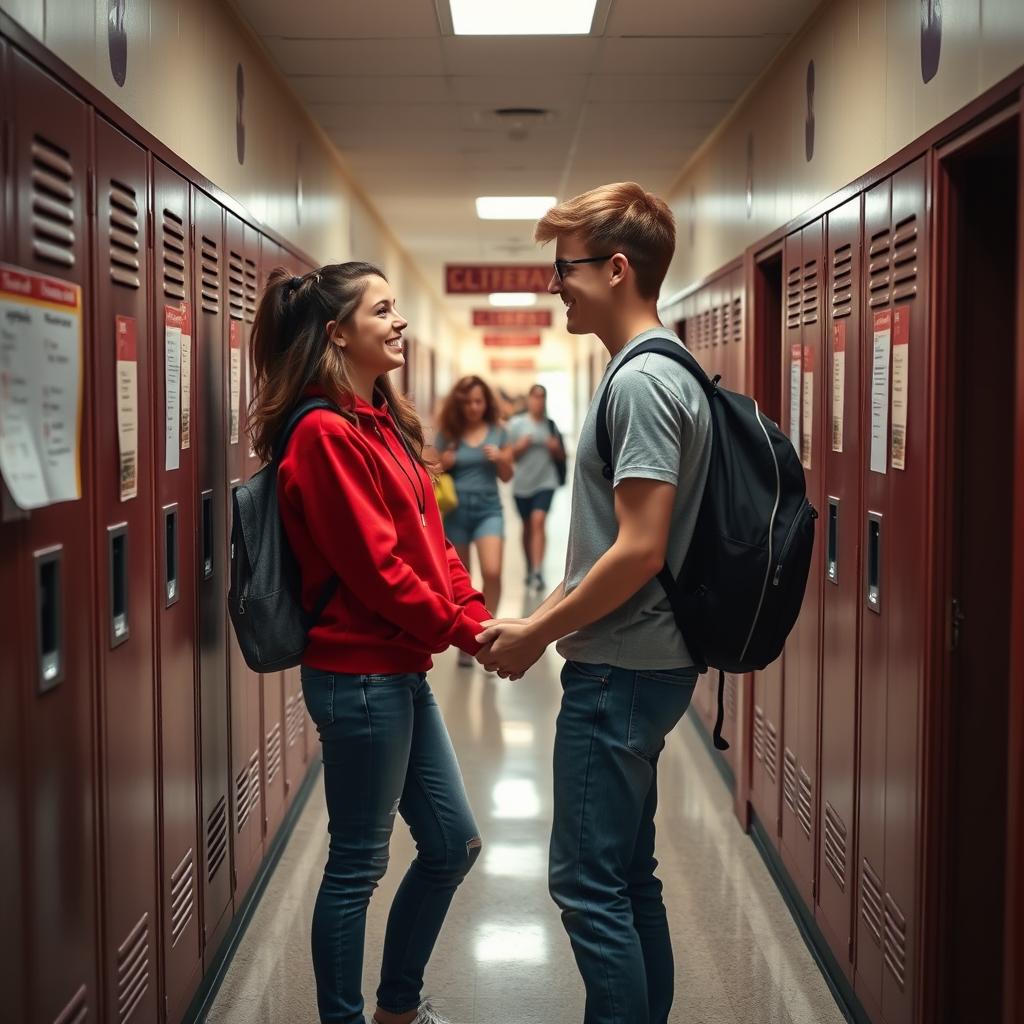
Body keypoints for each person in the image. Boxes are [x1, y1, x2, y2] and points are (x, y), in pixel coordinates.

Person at [476, 182, 712, 1024]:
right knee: (627, 878)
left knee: (586, 887)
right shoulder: (658, 369)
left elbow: (641, 548)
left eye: (563, 269)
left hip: (621, 669)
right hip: (645, 663)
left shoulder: (643, 382)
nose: (553, 285)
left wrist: (538, 630)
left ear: (616, 270)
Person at [248, 262, 493, 1024]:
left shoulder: (381, 422)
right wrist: (465, 635)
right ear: (337, 332)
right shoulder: (323, 434)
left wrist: (473, 613)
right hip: (357, 676)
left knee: (452, 845)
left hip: (397, 671)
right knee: (357, 865)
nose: (399, 322)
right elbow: (380, 571)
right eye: (383, 310)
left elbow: (429, 541)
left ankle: (396, 1009)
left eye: (399, 309)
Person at [436, 375, 513, 664]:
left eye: (478, 401)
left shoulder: (498, 431)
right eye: (467, 402)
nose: (473, 407)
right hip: (456, 512)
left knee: (492, 570)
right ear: (459, 404)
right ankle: (469, 638)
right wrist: (445, 463)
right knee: (462, 581)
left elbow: (507, 476)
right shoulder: (449, 433)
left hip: (489, 509)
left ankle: (487, 630)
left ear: (486, 403)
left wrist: (501, 460)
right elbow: (431, 471)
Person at [505, 384, 565, 593]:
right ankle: (530, 565)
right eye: (535, 397)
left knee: (538, 521)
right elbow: (507, 456)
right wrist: (518, 447)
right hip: (522, 484)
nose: (538, 402)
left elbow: (561, 457)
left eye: (542, 398)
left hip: (545, 482)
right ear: (529, 400)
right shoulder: (516, 424)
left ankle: (538, 571)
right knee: (527, 526)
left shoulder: (551, 425)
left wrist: (556, 449)